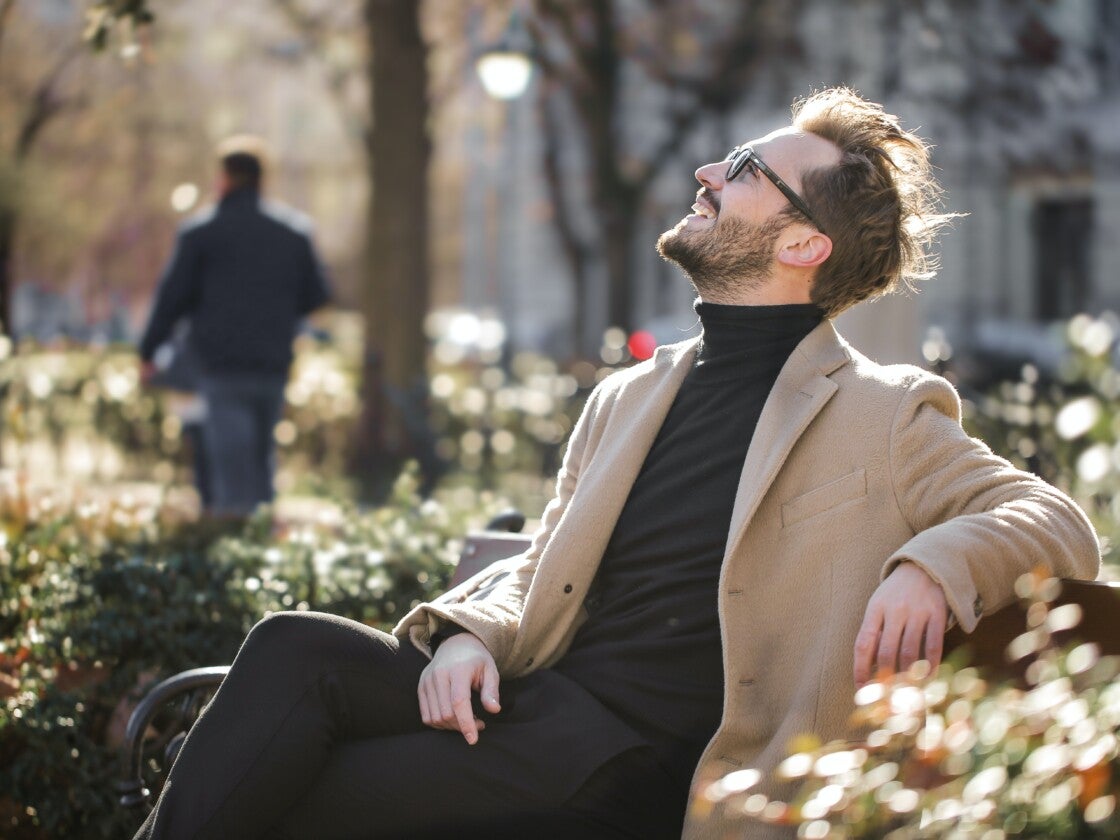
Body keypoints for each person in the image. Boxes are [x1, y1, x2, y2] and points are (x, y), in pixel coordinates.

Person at [133, 89, 1099, 840]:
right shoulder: (632, 394)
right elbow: (542, 557)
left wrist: (934, 564)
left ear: (804, 242)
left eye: (746, 169)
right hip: (536, 706)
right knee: (293, 648)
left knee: (294, 797)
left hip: (636, 766)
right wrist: (470, 633)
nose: (708, 171)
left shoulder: (882, 413)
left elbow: (1056, 522)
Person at [138, 136, 331, 516]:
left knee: (230, 467)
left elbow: (171, 299)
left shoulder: (201, 233)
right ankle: (259, 533)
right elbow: (316, 296)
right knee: (260, 460)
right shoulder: (293, 233)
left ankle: (237, 535)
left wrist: (148, 351)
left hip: (220, 365)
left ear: (224, 178)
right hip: (273, 363)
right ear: (262, 179)